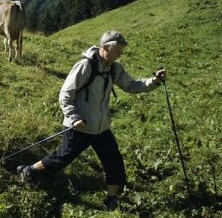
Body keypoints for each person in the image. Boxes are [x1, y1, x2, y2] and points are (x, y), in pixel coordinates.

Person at [16, 30, 167, 211]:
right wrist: (74, 118)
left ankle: (112, 200)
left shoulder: (114, 67)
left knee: (114, 162)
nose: (120, 54)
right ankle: (29, 171)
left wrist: (154, 81)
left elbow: (132, 85)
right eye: (117, 50)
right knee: (61, 159)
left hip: (101, 128)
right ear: (105, 48)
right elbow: (65, 94)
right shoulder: (85, 66)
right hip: (80, 126)